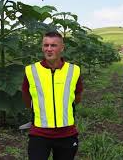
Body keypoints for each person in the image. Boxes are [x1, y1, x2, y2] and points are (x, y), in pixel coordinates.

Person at [22, 31, 83, 160]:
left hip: (67, 134)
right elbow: (27, 98)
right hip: (39, 133)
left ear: (62, 48)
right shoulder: (31, 70)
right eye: (46, 45)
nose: (49, 49)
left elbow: (77, 97)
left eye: (53, 45)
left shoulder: (74, 70)